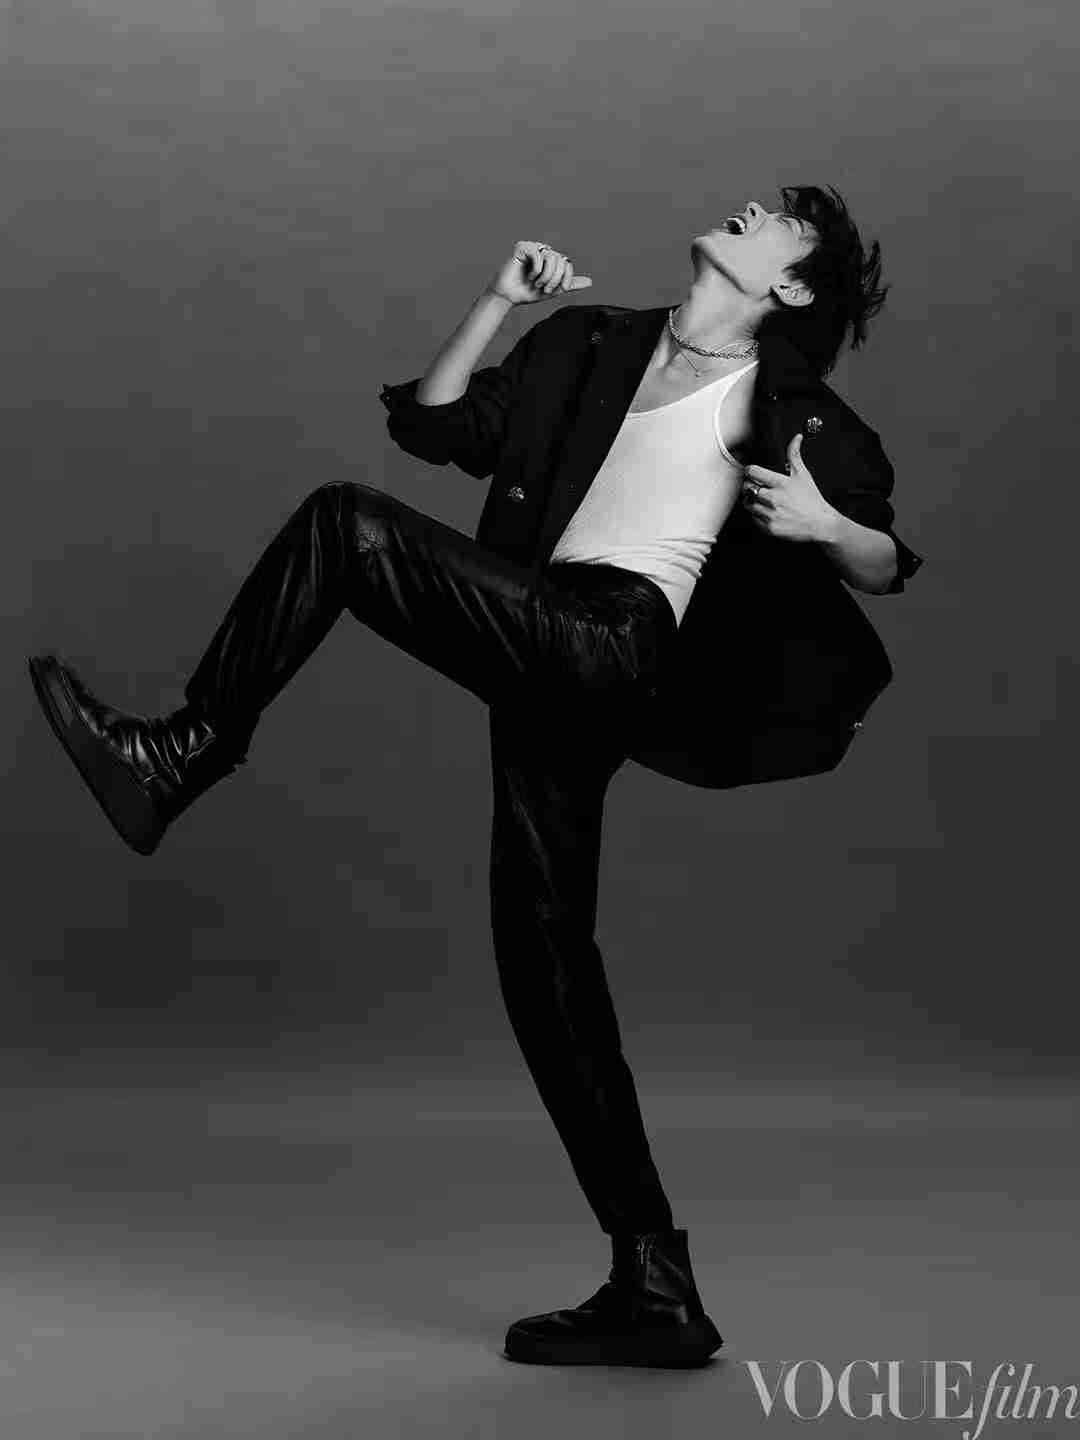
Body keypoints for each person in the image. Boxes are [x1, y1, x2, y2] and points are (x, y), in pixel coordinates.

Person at [27, 185, 923, 1371]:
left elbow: (888, 560)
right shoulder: (592, 342)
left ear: (792, 286)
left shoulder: (792, 409)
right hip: (541, 633)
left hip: (613, 643)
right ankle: (655, 1284)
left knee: (346, 528)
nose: (750, 207)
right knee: (542, 959)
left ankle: (181, 753)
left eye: (779, 220)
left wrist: (825, 526)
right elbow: (438, 427)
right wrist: (498, 302)